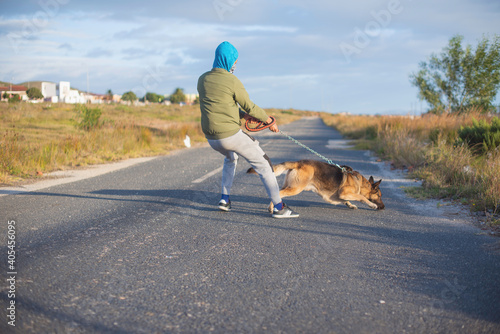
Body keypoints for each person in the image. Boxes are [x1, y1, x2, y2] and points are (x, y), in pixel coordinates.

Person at [197, 41, 299, 218]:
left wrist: (242, 116)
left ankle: (224, 199)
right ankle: (279, 207)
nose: (235, 65)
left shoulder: (202, 79)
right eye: (234, 61)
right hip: (229, 135)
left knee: (230, 157)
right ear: (228, 60)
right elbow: (250, 106)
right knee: (264, 164)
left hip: (211, 138)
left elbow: (220, 106)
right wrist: (269, 121)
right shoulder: (232, 80)